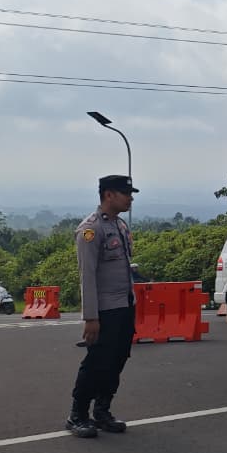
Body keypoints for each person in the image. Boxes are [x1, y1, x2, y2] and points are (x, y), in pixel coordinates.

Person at [68, 174, 139, 439]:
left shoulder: (120, 226)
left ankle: (102, 410)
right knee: (97, 361)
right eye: (126, 193)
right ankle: (77, 414)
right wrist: (91, 317)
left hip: (125, 304)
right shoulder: (90, 229)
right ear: (109, 195)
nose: (130, 198)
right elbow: (87, 276)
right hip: (105, 309)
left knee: (118, 358)